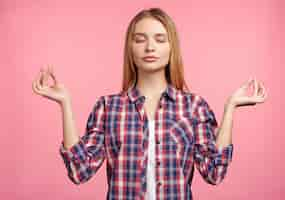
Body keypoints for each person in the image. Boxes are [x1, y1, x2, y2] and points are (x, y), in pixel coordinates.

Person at [32, 7, 267, 200]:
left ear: (170, 47)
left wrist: (230, 108)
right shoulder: (108, 107)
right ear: (130, 48)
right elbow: (79, 171)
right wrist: (65, 103)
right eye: (140, 39)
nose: (150, 47)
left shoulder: (194, 107)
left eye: (160, 39)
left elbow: (214, 172)